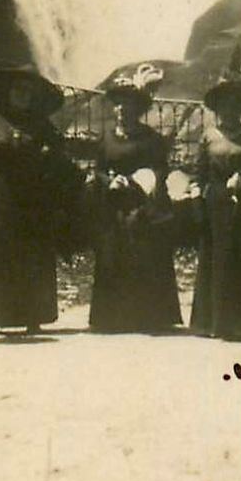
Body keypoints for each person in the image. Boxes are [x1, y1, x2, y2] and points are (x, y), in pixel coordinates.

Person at [0, 66, 76, 334]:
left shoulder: (40, 124)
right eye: (18, 90)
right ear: (8, 92)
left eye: (28, 91)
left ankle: (33, 317)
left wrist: (48, 157)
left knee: (33, 254)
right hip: (2, 195)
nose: (23, 95)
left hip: (34, 196)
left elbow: (61, 153)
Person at [89, 66, 182, 332]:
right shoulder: (107, 138)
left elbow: (160, 169)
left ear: (136, 109)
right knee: (112, 256)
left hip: (141, 205)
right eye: (118, 104)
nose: (121, 109)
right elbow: (98, 168)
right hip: (114, 205)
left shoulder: (150, 139)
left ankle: (146, 316)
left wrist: (141, 181)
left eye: (127, 105)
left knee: (143, 256)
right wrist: (110, 181)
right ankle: (112, 318)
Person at [189, 66, 241, 339]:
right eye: (224, 103)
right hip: (216, 205)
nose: (230, 109)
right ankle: (216, 322)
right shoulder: (209, 136)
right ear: (218, 107)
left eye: (235, 103)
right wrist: (198, 196)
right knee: (217, 260)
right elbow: (199, 173)